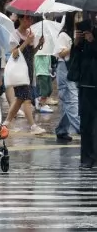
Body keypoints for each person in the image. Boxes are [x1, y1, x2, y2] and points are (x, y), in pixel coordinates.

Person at [2, 15, 46, 135]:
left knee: (20, 98)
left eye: (31, 19)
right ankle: (33, 126)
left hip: (29, 69)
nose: (29, 21)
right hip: (19, 71)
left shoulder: (30, 33)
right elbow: (14, 54)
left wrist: (38, 45)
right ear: (20, 19)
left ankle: (6, 123)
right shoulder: (15, 34)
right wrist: (26, 42)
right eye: (27, 18)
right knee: (26, 98)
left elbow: (31, 53)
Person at [70, 18, 97, 169]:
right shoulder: (84, 38)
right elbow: (74, 62)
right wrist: (77, 44)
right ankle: (86, 158)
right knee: (86, 124)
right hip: (85, 84)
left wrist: (93, 42)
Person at [53, 12, 81, 142]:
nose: (80, 18)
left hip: (74, 69)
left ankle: (62, 129)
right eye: (77, 16)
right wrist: (74, 45)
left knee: (68, 101)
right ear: (71, 17)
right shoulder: (64, 35)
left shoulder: (80, 34)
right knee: (72, 101)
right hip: (64, 69)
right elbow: (60, 53)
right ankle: (82, 129)